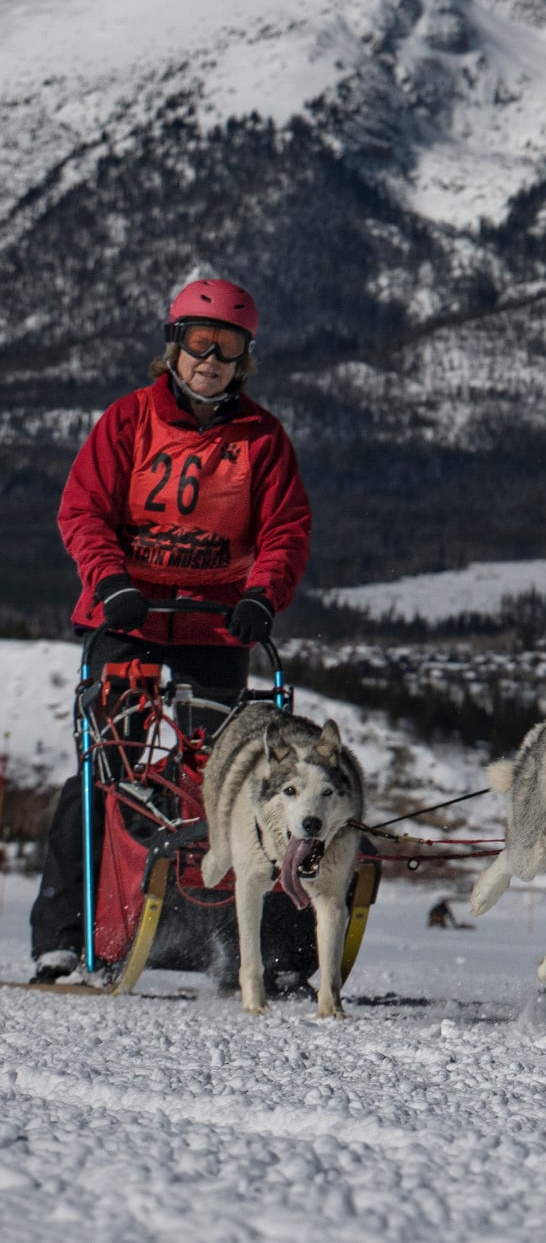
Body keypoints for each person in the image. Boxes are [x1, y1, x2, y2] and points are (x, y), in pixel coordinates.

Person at [28, 278, 314, 984]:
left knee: (220, 782)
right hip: (127, 616)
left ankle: (235, 940)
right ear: (174, 346)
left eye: (228, 347)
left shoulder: (262, 439)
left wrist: (262, 597)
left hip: (217, 627)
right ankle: (65, 936)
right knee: (107, 770)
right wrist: (110, 581)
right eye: (199, 343)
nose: (211, 360)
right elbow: (82, 511)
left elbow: (285, 531)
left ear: (245, 358)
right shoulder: (128, 420)